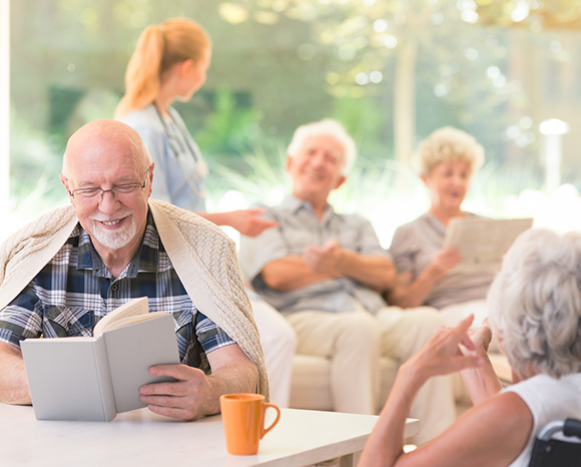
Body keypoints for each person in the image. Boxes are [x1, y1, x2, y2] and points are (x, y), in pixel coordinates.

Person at [0, 119, 267, 420]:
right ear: (68, 188)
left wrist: (211, 392)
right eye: (89, 189)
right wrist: (70, 383)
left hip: (174, 447)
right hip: (68, 446)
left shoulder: (204, 250)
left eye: (124, 185)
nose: (109, 206)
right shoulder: (39, 253)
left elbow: (240, 369)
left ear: (149, 179)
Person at [239, 118, 458, 445]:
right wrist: (348, 265)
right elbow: (277, 274)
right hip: (305, 317)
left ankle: (438, 452)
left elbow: (385, 274)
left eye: (330, 159)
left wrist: (341, 261)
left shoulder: (356, 224)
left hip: (371, 312)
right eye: (311, 152)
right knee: (357, 328)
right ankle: (364, 456)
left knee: (430, 323)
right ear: (290, 162)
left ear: (340, 179)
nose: (318, 162)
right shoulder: (263, 216)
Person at [114, 18, 295, 407]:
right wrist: (232, 221)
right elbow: (154, 213)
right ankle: (256, 434)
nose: (204, 75)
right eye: (205, 65)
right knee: (277, 337)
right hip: (175, 265)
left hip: (198, 255)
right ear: (187, 68)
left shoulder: (168, 117)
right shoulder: (144, 126)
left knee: (275, 334)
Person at [359, 228, 581, 467]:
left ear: (507, 326)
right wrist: (475, 361)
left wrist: (410, 375)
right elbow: (514, 431)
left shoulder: (516, 412)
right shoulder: (550, 399)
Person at [387, 127, 495, 326]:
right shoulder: (408, 233)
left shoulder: (487, 226)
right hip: (451, 312)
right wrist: (431, 274)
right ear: (425, 179)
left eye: (464, 175)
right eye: (447, 174)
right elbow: (398, 304)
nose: (457, 182)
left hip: (496, 305)